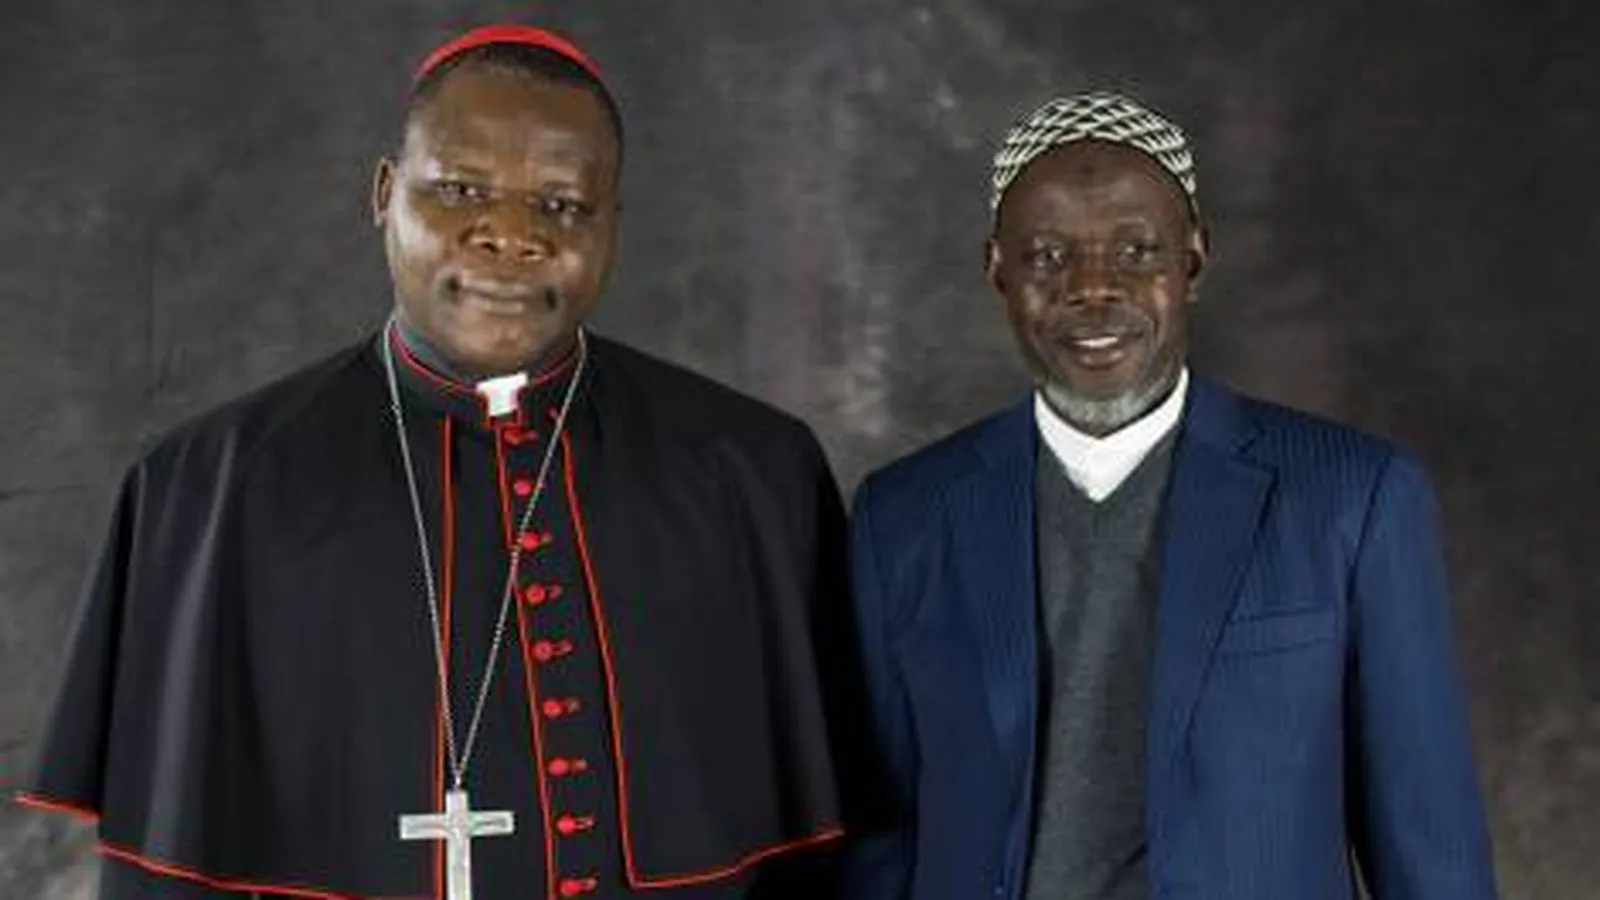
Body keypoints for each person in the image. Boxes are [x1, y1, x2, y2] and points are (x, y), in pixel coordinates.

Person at [18, 24, 859, 900]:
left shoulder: (753, 474)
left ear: (613, 226)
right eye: (461, 190)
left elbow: (831, 860)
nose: (512, 236)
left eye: (563, 205)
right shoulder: (208, 491)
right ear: (386, 194)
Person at [843, 91, 1498, 899]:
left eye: (1136, 251)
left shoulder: (1351, 499)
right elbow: (878, 840)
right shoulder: (903, 516)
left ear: (1193, 260)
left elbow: (1432, 850)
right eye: (1047, 255)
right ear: (996, 270)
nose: (1093, 287)